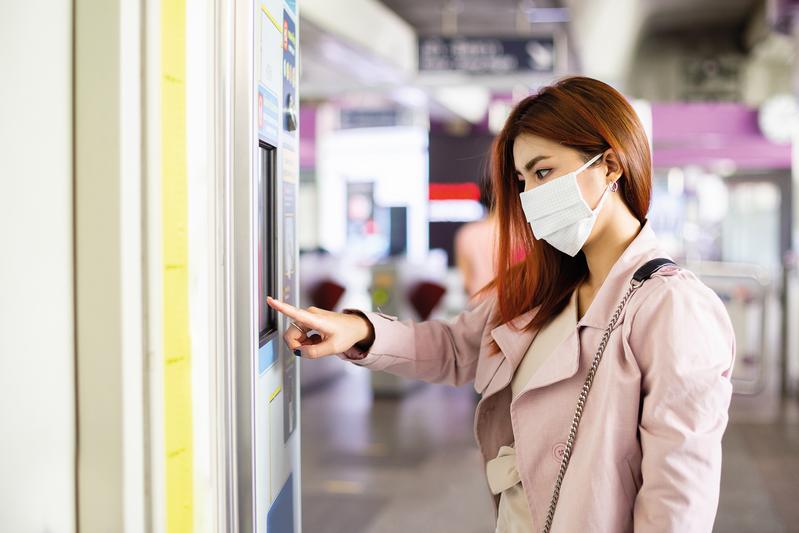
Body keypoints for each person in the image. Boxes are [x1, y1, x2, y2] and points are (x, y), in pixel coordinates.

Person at [267, 76, 735, 532]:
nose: (531, 194)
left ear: (610, 166)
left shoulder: (671, 305)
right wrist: (361, 330)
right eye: (522, 178)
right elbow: (455, 348)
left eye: (544, 171)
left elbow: (678, 494)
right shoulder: (539, 285)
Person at [455, 175, 498, 303]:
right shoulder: (521, 231)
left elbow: (466, 280)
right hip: (513, 305)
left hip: (478, 304)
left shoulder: (467, 233)